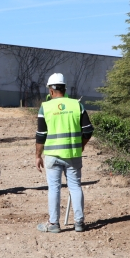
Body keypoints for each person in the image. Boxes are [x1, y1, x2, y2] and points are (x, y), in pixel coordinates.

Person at [35, 73, 94, 233]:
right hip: (73, 155)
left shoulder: (45, 107)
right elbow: (88, 131)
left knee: (54, 188)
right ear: (64, 88)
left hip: (53, 155)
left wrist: (38, 155)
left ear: (51, 91)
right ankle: (79, 223)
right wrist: (81, 146)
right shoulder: (77, 105)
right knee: (75, 187)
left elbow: (41, 135)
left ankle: (54, 224)